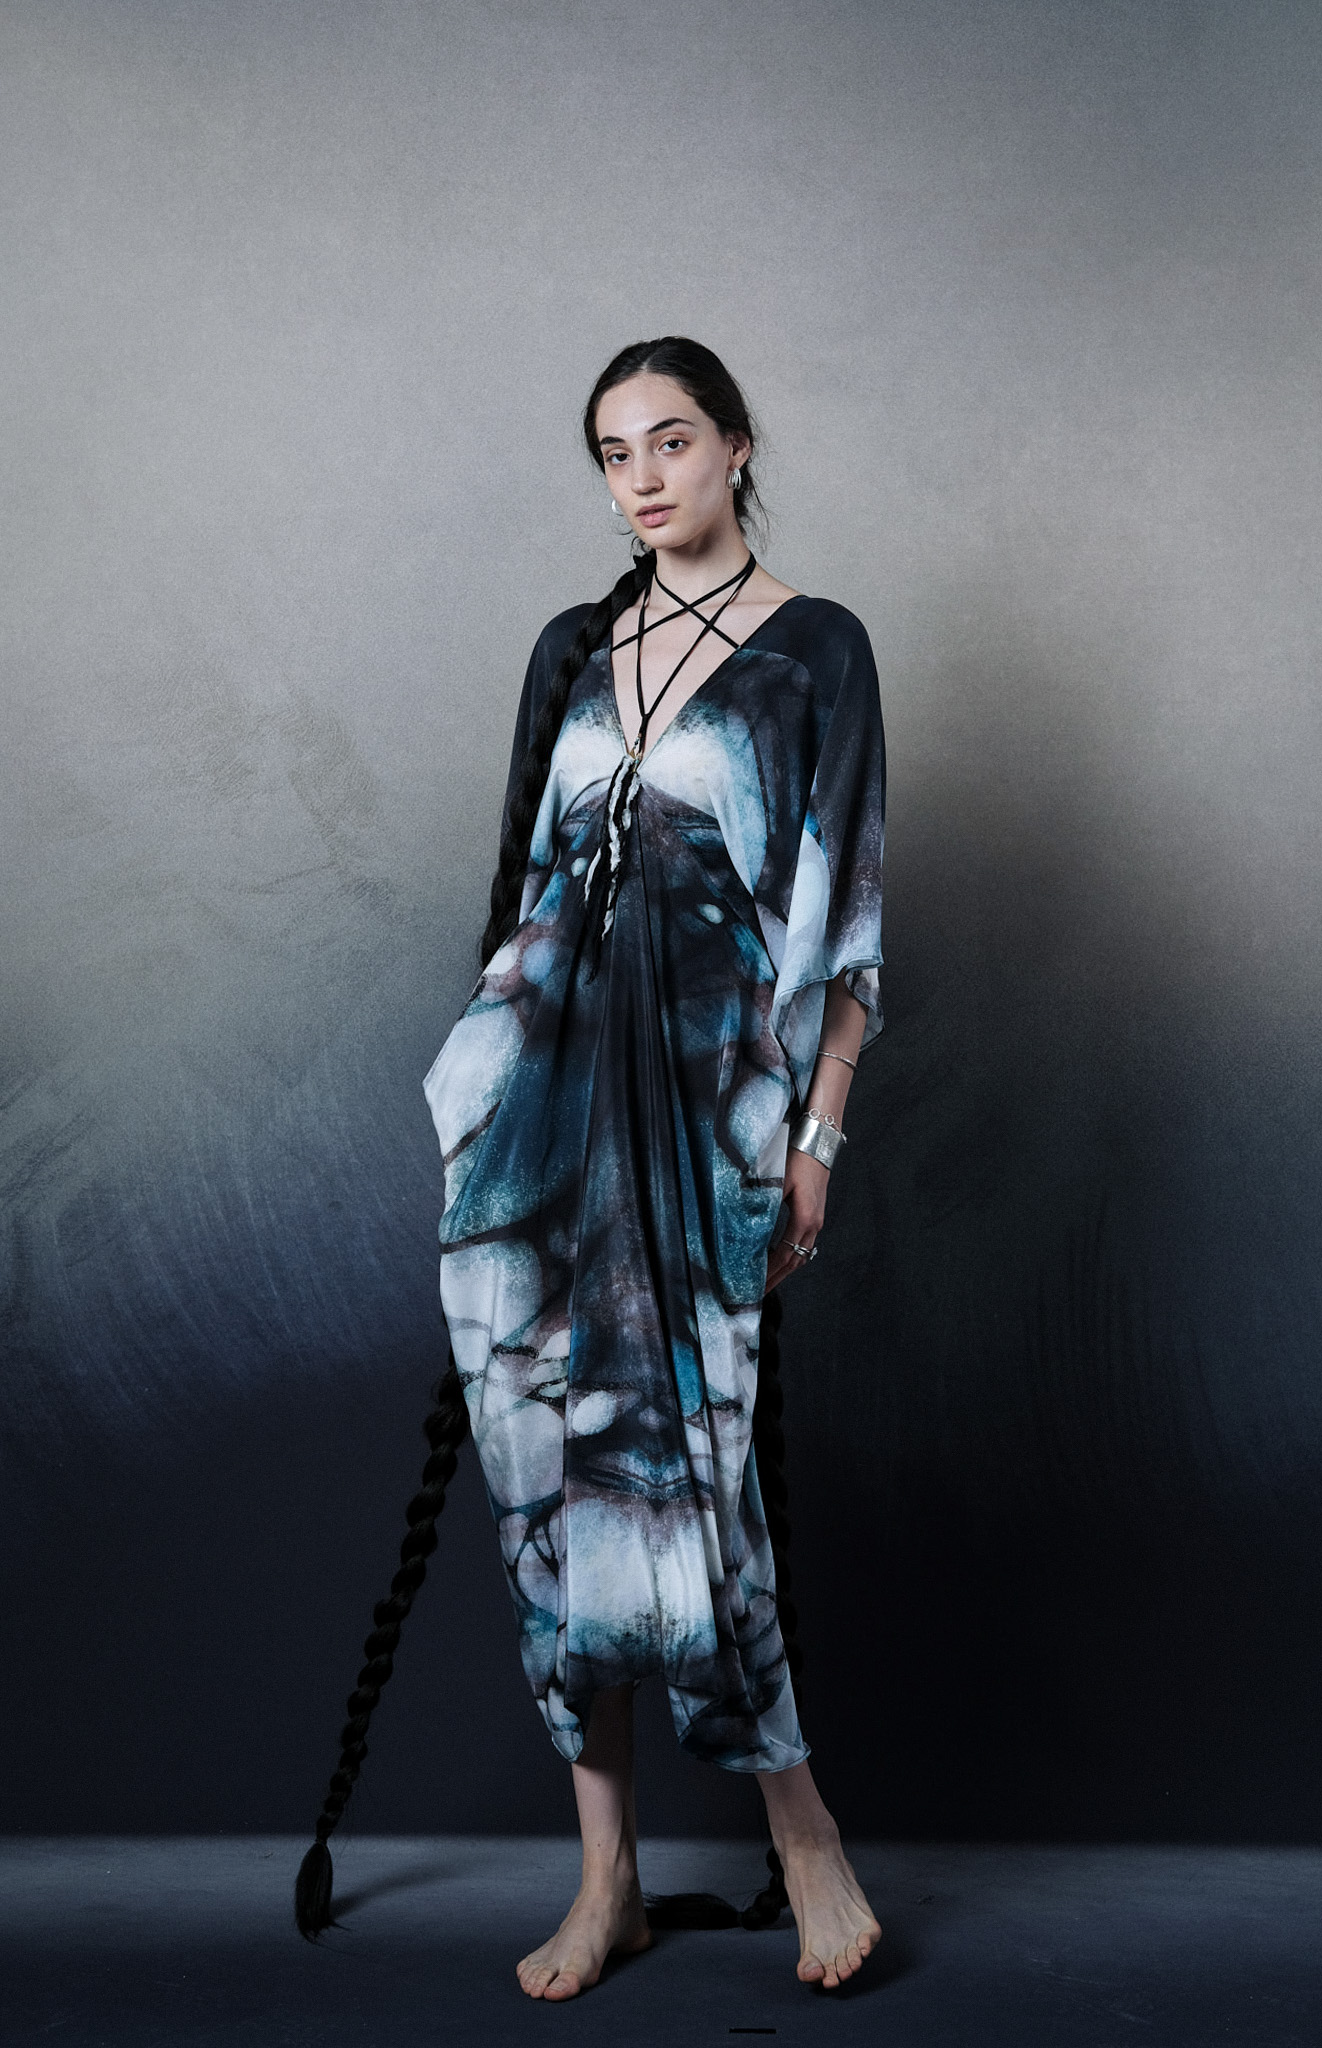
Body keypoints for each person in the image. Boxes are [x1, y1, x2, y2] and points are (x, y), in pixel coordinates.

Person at [295, 337, 886, 1999]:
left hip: (703, 1120)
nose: (642, 478)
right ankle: (605, 1873)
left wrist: (817, 1132)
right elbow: (521, 892)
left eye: (671, 441)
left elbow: (843, 912)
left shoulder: (814, 651)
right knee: (539, 1480)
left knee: (690, 1472)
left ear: (737, 446)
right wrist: (484, 1099)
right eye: (614, 453)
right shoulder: (570, 647)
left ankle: (802, 1833)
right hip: (537, 1128)